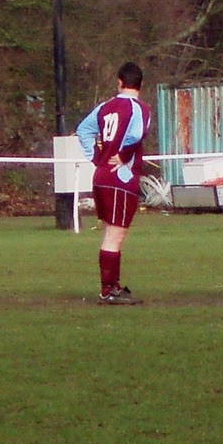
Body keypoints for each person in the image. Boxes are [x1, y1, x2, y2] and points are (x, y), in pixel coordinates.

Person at [75, 62, 151, 305]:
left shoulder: (104, 107)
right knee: (115, 234)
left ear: (120, 82)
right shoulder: (139, 109)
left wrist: (97, 158)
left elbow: (83, 130)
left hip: (101, 177)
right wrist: (125, 154)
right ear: (141, 84)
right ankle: (109, 290)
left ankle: (112, 286)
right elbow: (137, 135)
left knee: (113, 232)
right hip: (121, 177)